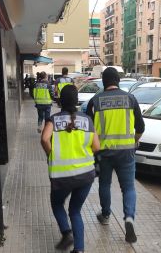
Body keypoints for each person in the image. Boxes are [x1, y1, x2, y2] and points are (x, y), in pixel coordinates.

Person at [85, 67, 145, 243]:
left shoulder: (95, 101)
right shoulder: (130, 98)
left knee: (105, 184)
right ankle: (129, 218)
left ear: (103, 82)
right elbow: (140, 128)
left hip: (103, 153)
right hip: (126, 152)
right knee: (128, 187)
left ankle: (105, 215)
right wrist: (134, 141)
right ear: (118, 81)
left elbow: (88, 130)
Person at [41, 85, 100, 253]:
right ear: (76, 100)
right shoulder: (88, 120)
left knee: (57, 203)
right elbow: (96, 147)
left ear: (61, 100)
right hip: (85, 176)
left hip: (61, 177)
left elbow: (45, 139)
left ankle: (67, 233)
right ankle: (79, 250)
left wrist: (51, 154)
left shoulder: (53, 120)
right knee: (75, 210)